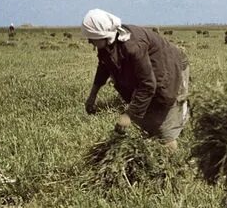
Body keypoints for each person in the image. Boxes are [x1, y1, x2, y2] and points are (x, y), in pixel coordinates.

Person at [81, 9, 190, 150]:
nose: (89, 41)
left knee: (165, 128)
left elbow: (148, 85)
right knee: (148, 122)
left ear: (103, 34)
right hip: (150, 76)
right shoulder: (107, 44)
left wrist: (129, 115)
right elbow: (104, 66)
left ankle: (174, 166)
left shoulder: (132, 47)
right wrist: (92, 95)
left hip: (170, 69)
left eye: (91, 37)